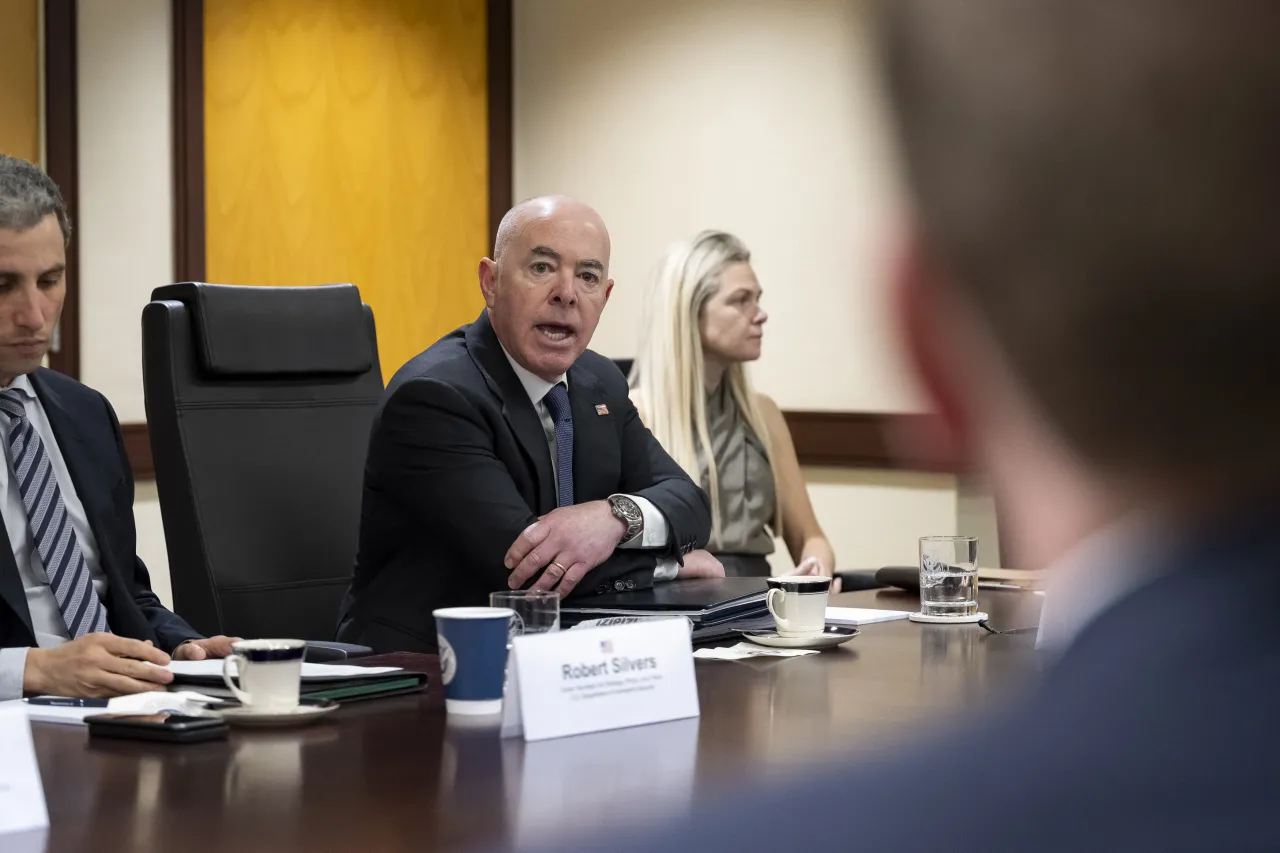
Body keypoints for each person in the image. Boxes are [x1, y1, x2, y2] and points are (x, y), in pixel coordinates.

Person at [494, 0, 1280, 850]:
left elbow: (797, 535)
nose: (765, 315)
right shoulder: (624, 408)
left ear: (928, 350)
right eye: (743, 299)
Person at [338, 196, 715, 652]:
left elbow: (688, 501)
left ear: (605, 297)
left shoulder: (600, 384)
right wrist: (672, 564)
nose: (566, 293)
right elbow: (531, 570)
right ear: (491, 282)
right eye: (541, 268)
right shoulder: (435, 397)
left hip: (558, 660)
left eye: (588, 277)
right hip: (425, 673)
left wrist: (615, 517)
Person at [0, 154, 236, 700]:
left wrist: (183, 646)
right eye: (4, 285)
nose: (35, 316)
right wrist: (32, 671)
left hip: (124, 711)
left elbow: (126, 593)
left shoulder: (84, 413)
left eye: (50, 280)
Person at [629, 231, 836, 581]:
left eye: (757, 299)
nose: (760, 315)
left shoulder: (763, 414)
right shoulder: (636, 414)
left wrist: (818, 566)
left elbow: (808, 536)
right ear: (690, 311)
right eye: (741, 300)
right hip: (675, 603)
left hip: (759, 601)